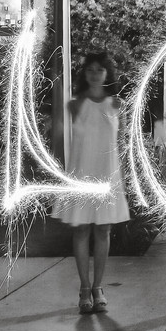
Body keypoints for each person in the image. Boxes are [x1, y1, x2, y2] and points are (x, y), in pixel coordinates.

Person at [52, 51, 130, 315]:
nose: (95, 74)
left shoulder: (117, 104)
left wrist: (122, 178)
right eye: (90, 70)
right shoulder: (75, 105)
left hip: (107, 173)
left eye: (100, 70)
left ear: (107, 73)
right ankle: (84, 288)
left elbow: (121, 142)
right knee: (82, 230)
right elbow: (61, 138)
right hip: (82, 174)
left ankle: (98, 287)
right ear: (84, 74)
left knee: (103, 230)